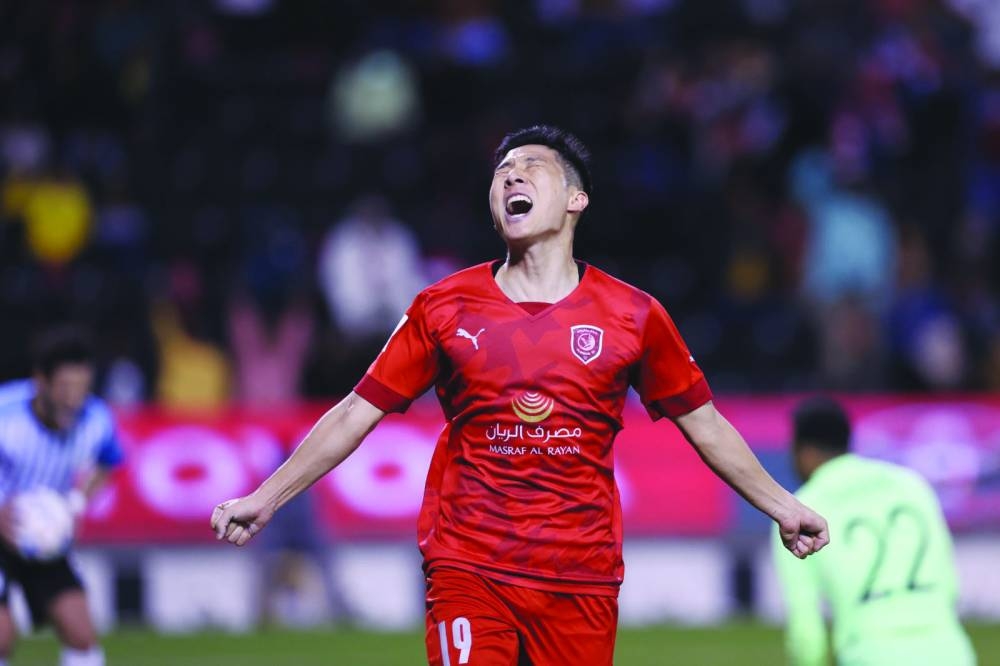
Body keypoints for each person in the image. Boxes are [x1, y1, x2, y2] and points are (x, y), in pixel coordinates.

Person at [213, 125, 829, 665]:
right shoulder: (443, 306)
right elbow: (355, 411)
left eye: (529, 166)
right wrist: (267, 498)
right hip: (469, 563)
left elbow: (708, 425)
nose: (511, 176)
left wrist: (781, 505)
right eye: (501, 172)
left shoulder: (634, 315)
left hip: (580, 575)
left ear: (575, 199)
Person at [772, 396, 975, 666]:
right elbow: (949, 582)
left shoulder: (799, 512)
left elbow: (807, 633)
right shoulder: (911, 485)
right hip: (951, 651)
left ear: (805, 452)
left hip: (870, 653)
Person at [0, 327, 124, 666]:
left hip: (43, 534)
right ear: (40, 381)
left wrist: (75, 503)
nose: (74, 399)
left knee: (81, 635)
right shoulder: (4, 413)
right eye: (66, 388)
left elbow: (109, 463)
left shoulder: (96, 419)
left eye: (83, 388)